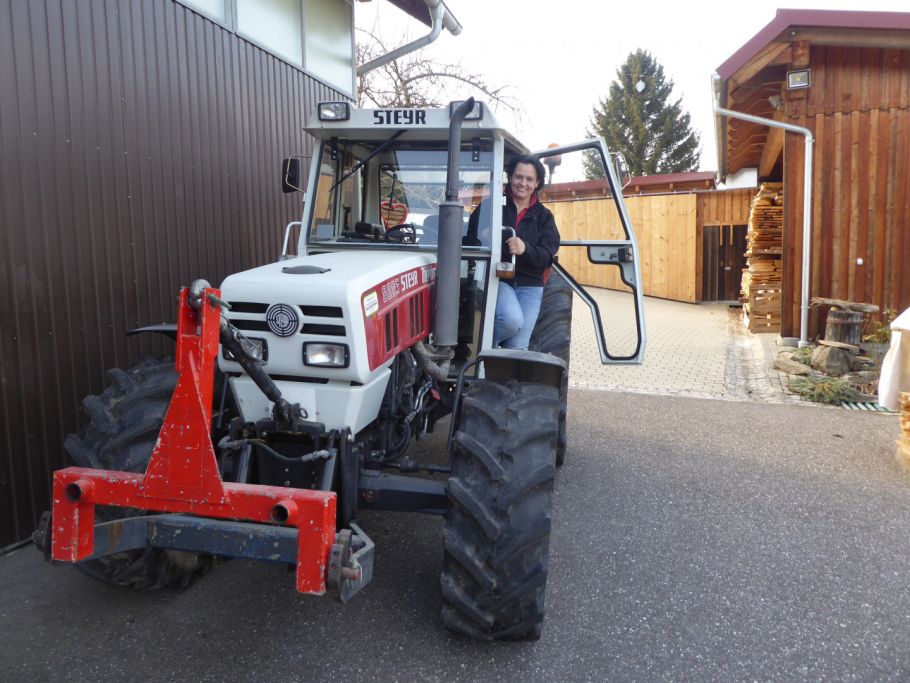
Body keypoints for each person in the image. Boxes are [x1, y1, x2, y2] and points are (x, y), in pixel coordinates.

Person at [467, 154, 560, 349]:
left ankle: (494, 361)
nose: (523, 183)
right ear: (510, 177)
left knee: (517, 346)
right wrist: (484, 236)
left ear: (537, 183)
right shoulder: (490, 207)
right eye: (518, 177)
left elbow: (547, 256)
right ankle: (481, 348)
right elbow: (469, 241)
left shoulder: (544, 217)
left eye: (529, 179)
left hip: (531, 285)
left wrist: (526, 248)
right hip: (497, 279)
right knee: (511, 321)